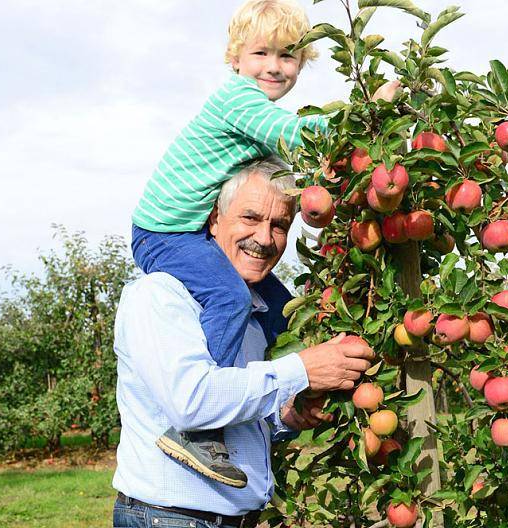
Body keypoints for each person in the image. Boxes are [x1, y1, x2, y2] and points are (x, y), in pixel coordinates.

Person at [130, 0, 398, 487]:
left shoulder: (252, 111)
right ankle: (199, 431)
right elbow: (294, 135)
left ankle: (300, 384)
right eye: (260, 53)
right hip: (165, 233)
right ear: (235, 59)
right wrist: (365, 117)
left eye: (287, 56)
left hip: (189, 232)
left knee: (281, 308)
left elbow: (305, 171)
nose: (273, 66)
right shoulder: (237, 101)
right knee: (231, 297)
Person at [112, 158, 374, 528]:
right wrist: (301, 370)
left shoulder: (255, 309)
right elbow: (192, 402)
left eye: (279, 225)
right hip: (170, 519)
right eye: (250, 218)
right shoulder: (161, 295)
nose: (264, 239)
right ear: (213, 220)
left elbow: (235, 408)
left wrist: (285, 416)